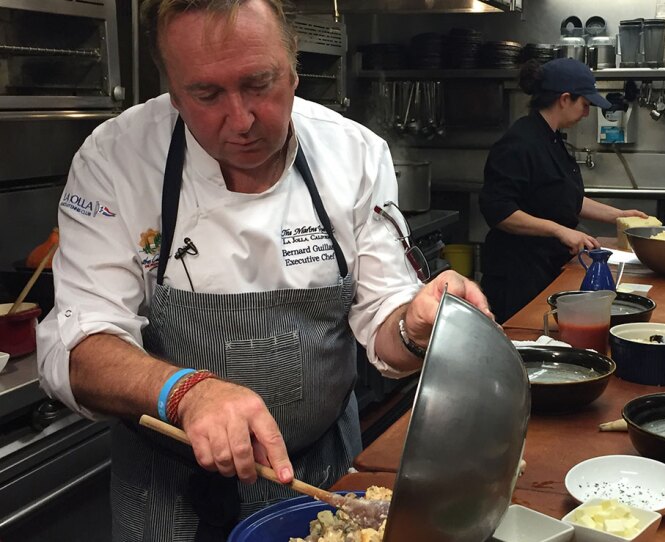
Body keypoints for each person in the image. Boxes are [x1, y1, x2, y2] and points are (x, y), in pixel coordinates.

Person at [35, 0, 489, 539]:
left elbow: (385, 326)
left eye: (260, 83)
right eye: (206, 95)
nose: (242, 119)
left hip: (321, 475)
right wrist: (188, 391)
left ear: (294, 72)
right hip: (167, 487)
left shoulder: (354, 154)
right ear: (174, 93)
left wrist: (413, 327)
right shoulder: (116, 159)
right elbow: (77, 346)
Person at [479, 58, 648, 323]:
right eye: (585, 104)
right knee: (523, 344)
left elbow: (565, 197)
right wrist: (560, 230)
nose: (586, 112)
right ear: (564, 99)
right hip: (518, 277)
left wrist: (619, 215)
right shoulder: (520, 142)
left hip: (546, 268)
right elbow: (499, 211)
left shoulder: (552, 138)